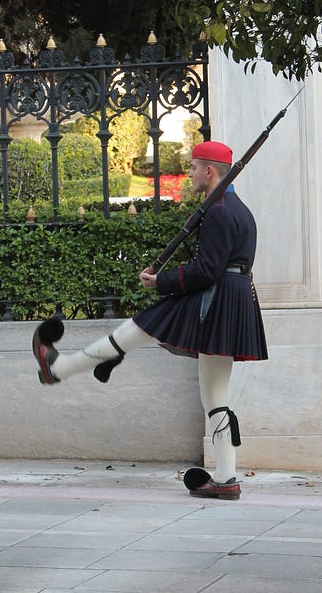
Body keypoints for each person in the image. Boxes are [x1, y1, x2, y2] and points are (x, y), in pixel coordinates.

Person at [31, 140, 268, 500]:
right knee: (215, 394)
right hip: (233, 299)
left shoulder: (219, 210)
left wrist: (163, 281)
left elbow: (206, 269)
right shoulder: (240, 209)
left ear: (209, 171)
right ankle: (225, 477)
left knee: (138, 327)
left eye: (193, 167)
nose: (188, 173)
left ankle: (60, 367)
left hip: (214, 297)